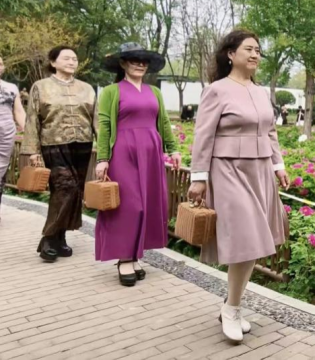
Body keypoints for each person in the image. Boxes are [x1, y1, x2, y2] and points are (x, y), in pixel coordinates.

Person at [187, 29, 290, 343]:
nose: (256, 54)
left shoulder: (260, 92)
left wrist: (278, 164)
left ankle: (231, 305)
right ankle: (231, 308)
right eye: (249, 49)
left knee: (256, 241)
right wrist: (199, 177)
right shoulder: (217, 90)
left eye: (259, 50)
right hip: (228, 169)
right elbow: (203, 135)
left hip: (259, 170)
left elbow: (270, 132)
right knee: (245, 238)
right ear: (230, 54)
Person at [94, 42, 182, 287]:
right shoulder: (112, 91)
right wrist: (102, 159)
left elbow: (163, 122)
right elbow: (105, 128)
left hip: (151, 152)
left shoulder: (154, 92)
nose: (140, 64)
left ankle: (135, 254)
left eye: (144, 61)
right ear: (123, 64)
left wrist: (173, 149)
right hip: (123, 152)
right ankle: (124, 258)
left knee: (147, 204)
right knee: (129, 205)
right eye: (134, 60)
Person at [21, 46, 96, 263]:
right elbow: (33, 119)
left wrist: (105, 149)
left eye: (74, 58)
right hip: (53, 144)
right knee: (65, 187)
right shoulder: (40, 87)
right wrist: (32, 151)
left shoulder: (87, 88)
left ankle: (60, 239)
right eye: (66, 58)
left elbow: (96, 118)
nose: (72, 62)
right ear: (53, 62)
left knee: (75, 192)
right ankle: (48, 238)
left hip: (82, 144)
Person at [0, 56, 26, 218]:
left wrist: (28, 132)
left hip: (6, 133)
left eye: (1, 63)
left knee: (1, 170)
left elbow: (18, 111)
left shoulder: (11, 87)